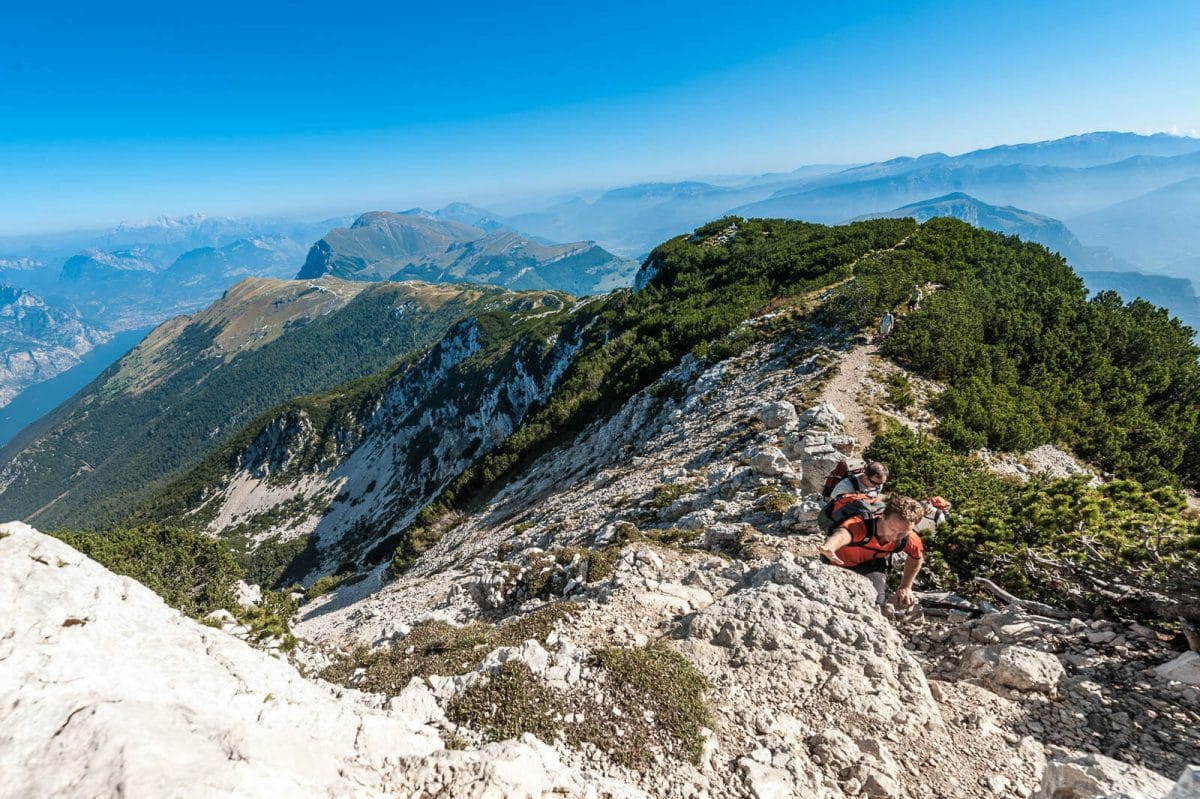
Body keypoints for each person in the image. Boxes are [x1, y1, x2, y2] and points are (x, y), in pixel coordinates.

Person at [817, 495, 925, 607]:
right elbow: (843, 534)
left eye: (902, 533)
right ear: (883, 516)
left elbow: (916, 557)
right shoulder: (861, 524)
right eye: (892, 529)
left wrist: (906, 586)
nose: (895, 536)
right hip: (835, 561)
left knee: (877, 600)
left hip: (870, 564)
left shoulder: (909, 538)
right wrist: (830, 546)